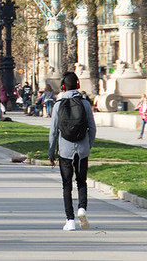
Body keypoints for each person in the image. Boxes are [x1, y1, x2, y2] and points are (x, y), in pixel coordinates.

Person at [49, 72, 97, 231]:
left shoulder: (58, 104)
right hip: (82, 150)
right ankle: (82, 209)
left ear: (63, 87)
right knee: (81, 181)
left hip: (65, 150)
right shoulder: (85, 104)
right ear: (78, 86)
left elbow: (53, 131)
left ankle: (70, 220)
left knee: (66, 184)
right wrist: (87, 145)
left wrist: (51, 151)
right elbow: (92, 127)